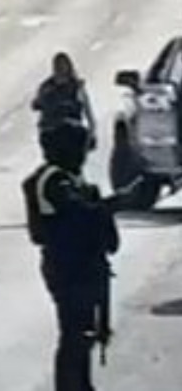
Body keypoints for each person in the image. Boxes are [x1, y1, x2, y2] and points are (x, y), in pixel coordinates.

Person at [22, 122, 124, 391]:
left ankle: (81, 384)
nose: (82, 156)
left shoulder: (75, 181)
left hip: (85, 266)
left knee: (85, 333)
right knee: (74, 333)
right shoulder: (52, 180)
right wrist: (109, 205)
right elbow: (76, 213)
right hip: (66, 266)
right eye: (78, 148)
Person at [33, 52, 98, 150]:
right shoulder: (47, 87)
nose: (61, 69)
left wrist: (91, 133)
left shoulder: (76, 87)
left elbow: (88, 111)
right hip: (52, 130)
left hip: (70, 130)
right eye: (58, 66)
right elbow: (37, 103)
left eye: (62, 66)